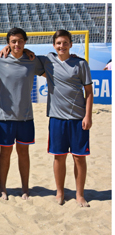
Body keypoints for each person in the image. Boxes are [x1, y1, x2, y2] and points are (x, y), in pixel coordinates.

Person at [39, 30, 93, 207]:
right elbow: (26, 56)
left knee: (79, 158)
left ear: (70, 44)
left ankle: (79, 195)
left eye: (65, 42)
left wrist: (88, 116)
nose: (61, 46)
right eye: (58, 43)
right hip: (56, 119)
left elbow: (89, 92)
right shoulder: (48, 60)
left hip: (78, 119)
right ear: (54, 45)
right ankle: (60, 192)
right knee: (59, 157)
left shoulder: (80, 63)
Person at [0, 28, 45, 200]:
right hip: (5, 117)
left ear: (25, 42)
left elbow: (54, 65)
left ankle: (25, 188)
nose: (17, 44)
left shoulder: (32, 60)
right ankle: (2, 188)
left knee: (23, 153)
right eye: (13, 41)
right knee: (5, 154)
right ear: (8, 42)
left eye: (20, 41)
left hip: (25, 117)